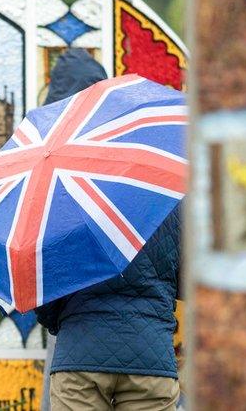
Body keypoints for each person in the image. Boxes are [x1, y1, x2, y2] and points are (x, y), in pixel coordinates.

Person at [35, 48, 181, 411]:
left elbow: (38, 281)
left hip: (78, 353)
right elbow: (188, 275)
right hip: (152, 360)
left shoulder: (51, 180)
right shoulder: (160, 174)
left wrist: (61, 321)